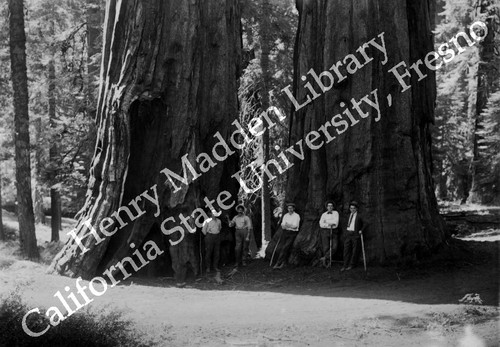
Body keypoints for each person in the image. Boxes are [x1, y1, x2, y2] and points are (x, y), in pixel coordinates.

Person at [273, 202, 300, 269]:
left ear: (293, 208)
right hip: (285, 233)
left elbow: (295, 226)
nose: (290, 209)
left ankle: (279, 263)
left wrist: (287, 225)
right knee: (281, 247)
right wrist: (288, 225)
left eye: (291, 208)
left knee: (286, 247)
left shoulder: (296, 216)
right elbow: (283, 225)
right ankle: (283, 262)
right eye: (288, 208)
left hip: (292, 233)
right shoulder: (285, 216)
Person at [341, 201, 366, 271]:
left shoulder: (359, 215)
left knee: (355, 251)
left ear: (356, 209)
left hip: (355, 235)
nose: (352, 210)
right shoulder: (348, 215)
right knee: (346, 250)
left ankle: (352, 265)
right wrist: (345, 232)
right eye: (351, 208)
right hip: (348, 234)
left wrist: (361, 230)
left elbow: (366, 223)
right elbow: (344, 224)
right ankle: (345, 265)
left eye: (354, 208)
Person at [318, 201, 339, 268]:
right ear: (326, 207)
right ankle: (327, 263)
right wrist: (329, 224)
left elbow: (335, 224)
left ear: (333, 207)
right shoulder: (323, 214)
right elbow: (321, 224)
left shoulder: (336, 213)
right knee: (326, 247)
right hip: (325, 231)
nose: (330, 207)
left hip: (334, 231)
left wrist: (326, 222)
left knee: (334, 247)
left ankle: (324, 258)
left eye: (331, 206)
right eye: (328, 206)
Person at [202, 209, 222, 274]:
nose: (214, 215)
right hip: (209, 236)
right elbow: (203, 230)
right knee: (208, 252)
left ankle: (215, 266)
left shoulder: (219, 221)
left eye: (216, 214)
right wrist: (208, 235)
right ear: (211, 214)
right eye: (213, 214)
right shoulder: (207, 221)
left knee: (217, 252)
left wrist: (216, 233)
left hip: (217, 236)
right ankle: (208, 267)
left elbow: (220, 228)